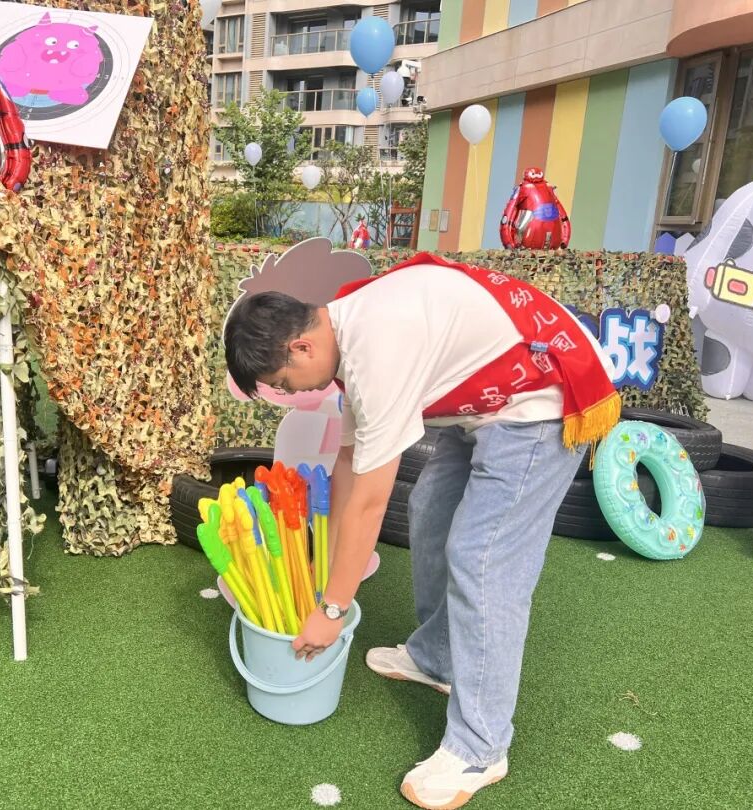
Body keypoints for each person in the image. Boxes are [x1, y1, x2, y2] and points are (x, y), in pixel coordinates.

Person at [224, 251, 618, 809]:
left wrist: (332, 609)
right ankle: (438, 657)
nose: (290, 394)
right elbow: (348, 463)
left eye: (283, 383)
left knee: (483, 561)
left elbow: (370, 501)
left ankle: (480, 746)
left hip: (539, 403)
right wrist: (324, 575)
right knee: (430, 508)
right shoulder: (346, 332)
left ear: (301, 347)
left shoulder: (376, 348)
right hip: (482, 402)